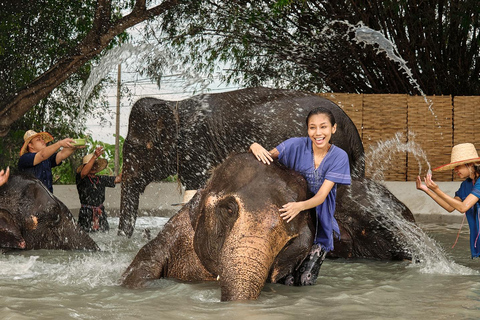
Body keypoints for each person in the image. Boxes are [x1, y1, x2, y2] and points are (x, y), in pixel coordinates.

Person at [249, 106, 351, 285]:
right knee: (284, 280)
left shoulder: (339, 157)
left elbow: (321, 196)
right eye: (312, 127)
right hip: (290, 223)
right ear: (307, 130)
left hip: (320, 224)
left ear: (333, 129)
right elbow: (265, 160)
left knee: (304, 280)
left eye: (323, 127)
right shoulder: (294, 145)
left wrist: (299, 206)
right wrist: (254, 146)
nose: (318, 133)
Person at [416, 142, 480, 259]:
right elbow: (449, 207)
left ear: (470, 164)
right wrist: (427, 190)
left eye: (458, 166)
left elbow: (463, 207)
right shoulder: (465, 185)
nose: (455, 170)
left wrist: (437, 189)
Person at [76, 146, 122, 232]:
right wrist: (94, 157)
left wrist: (128, 164)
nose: (93, 167)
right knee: (85, 236)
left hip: (101, 213)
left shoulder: (101, 179)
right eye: (91, 165)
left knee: (104, 235)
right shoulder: (81, 178)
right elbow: (84, 173)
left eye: (95, 164)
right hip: (86, 213)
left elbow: (118, 179)